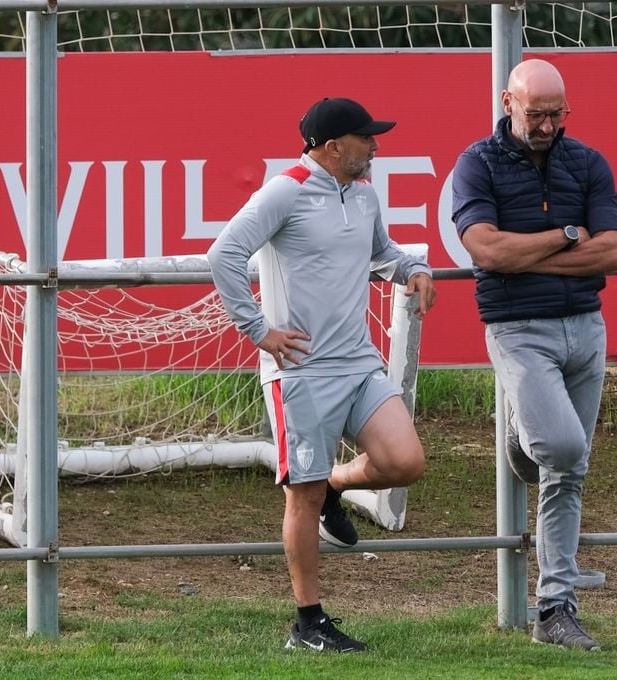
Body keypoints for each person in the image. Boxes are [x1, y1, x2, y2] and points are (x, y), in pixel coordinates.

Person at [207, 97, 436, 653]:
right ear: (333, 147)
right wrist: (259, 331)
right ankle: (308, 624)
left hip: (358, 362)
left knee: (405, 462)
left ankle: (336, 484)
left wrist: (414, 267)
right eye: (366, 138)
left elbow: (382, 253)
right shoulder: (285, 190)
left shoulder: (363, 192)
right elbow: (224, 254)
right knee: (301, 499)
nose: (375, 146)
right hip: (300, 373)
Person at [451, 59, 617, 651]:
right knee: (564, 450)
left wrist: (529, 259)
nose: (548, 125)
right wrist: (566, 236)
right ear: (509, 103)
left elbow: (614, 252)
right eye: (536, 114)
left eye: (557, 114)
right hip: (518, 328)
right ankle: (519, 433)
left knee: (568, 471)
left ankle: (555, 609)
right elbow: (487, 250)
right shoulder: (476, 163)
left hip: (587, 326)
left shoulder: (589, 162)